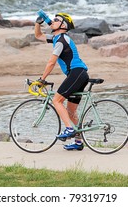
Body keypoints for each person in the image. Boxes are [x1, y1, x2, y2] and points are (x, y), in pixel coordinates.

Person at [34, 12, 89, 151]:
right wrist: (37, 23)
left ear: (63, 25)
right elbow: (38, 36)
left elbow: (51, 62)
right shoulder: (56, 38)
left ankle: (69, 129)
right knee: (70, 111)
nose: (52, 21)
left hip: (76, 73)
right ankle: (78, 141)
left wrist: (42, 79)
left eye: (56, 20)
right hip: (80, 74)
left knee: (57, 101)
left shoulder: (61, 40)